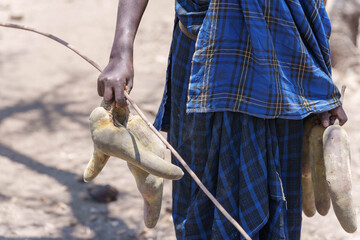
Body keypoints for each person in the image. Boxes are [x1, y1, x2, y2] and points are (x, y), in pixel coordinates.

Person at [97, 0, 348, 239]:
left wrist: (317, 80)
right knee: (199, 205)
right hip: (207, 62)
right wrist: (120, 52)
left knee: (279, 210)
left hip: (285, 68)